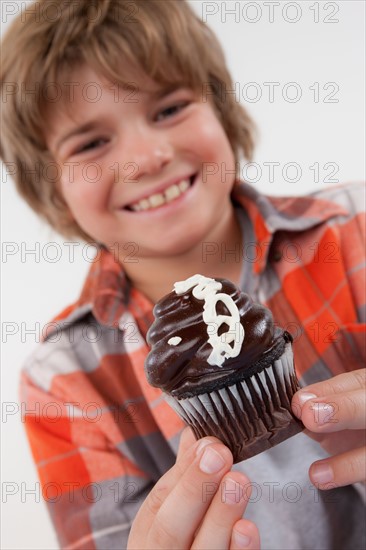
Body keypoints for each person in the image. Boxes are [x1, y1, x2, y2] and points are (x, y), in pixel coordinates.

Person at [1, 1, 365, 548]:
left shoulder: (355, 233)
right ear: (52, 187)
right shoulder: (64, 382)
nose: (146, 157)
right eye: (92, 143)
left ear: (222, 109)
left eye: (169, 108)